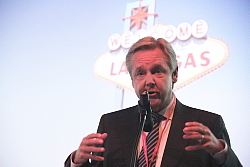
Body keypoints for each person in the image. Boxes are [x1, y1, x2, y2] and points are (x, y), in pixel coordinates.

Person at [65, 37, 242, 167]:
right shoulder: (111, 124)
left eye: (157, 71)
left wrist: (220, 152)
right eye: (140, 73)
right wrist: (78, 161)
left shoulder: (208, 123)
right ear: (132, 80)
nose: (149, 81)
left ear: (174, 74)